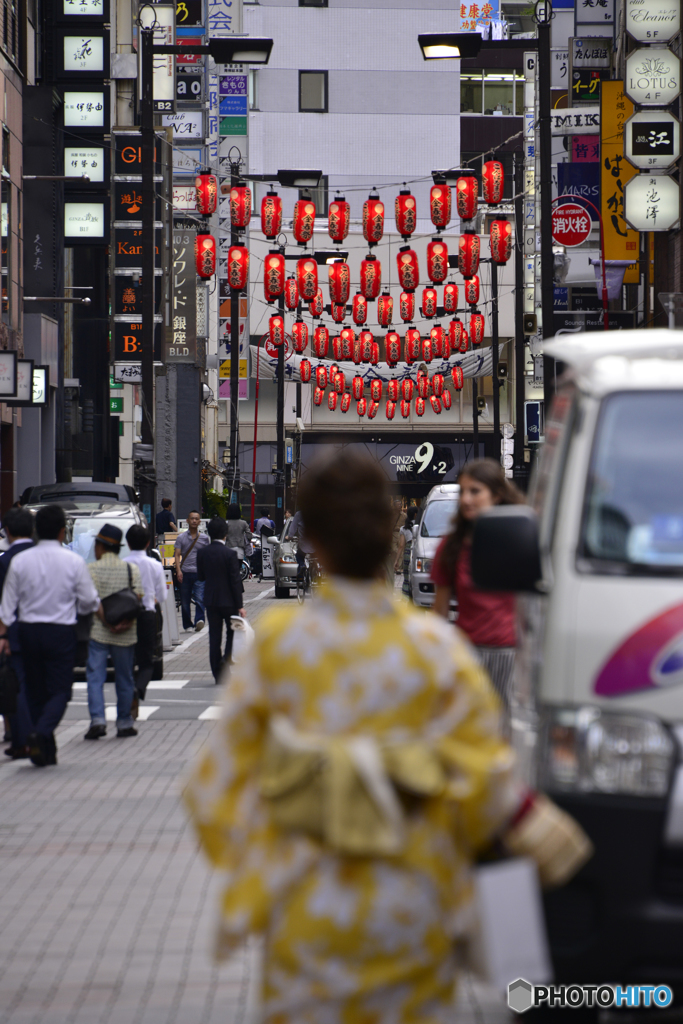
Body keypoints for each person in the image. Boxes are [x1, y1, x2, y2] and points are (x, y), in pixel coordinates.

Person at [184, 451, 591, 1024]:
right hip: (415, 905)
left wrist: (276, 855)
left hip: (306, 910)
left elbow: (212, 791)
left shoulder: (279, 650)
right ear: (393, 537)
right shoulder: (434, 652)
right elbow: (487, 784)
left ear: (313, 542)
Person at [0, 504, 100, 767]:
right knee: (60, 691)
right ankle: (41, 733)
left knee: (33, 690)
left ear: (36, 530)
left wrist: (7, 637)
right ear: (61, 531)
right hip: (60, 632)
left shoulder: (20, 561)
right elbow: (89, 601)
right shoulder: (73, 561)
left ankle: (42, 746)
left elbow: (7, 606)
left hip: (27, 631)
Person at [430, 459, 525, 713]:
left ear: (496, 495)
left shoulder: (520, 541)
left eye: (475, 491)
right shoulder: (451, 547)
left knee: (504, 732)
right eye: (462, 491)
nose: (466, 499)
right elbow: (439, 612)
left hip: (511, 655)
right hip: (466, 655)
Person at [84, 524, 144, 741]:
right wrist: (124, 623)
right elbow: (138, 598)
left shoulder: (92, 569)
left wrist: (107, 622)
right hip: (126, 633)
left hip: (100, 631)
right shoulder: (131, 569)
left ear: (101, 546)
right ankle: (124, 722)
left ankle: (98, 721)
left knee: (95, 677)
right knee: (125, 678)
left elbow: (92, 601)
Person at [0, 508, 34, 759]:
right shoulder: (44, 556)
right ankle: (37, 734)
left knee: (16, 684)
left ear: (8, 532)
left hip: (15, 630)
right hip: (49, 629)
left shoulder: (4, 561)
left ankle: (20, 736)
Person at [124, 524, 167, 715]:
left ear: (127, 543)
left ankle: (127, 693)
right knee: (147, 661)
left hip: (126, 616)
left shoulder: (123, 564)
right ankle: (138, 689)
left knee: (127, 658)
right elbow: (163, 596)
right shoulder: (155, 565)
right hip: (148, 614)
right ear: (148, 543)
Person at [196, 517, 245, 683]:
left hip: (211, 600)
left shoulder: (202, 553)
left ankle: (218, 674)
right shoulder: (230, 554)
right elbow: (235, 581)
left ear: (209, 533)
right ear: (226, 533)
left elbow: (201, 576)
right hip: (229, 601)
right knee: (232, 633)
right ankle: (226, 660)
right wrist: (240, 605)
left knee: (214, 637)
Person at [174, 511, 209, 632]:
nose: (194, 521)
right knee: (184, 601)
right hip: (184, 573)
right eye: (192, 518)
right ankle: (187, 624)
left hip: (199, 573)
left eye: (196, 519)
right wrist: (178, 571)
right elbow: (177, 555)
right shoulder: (181, 538)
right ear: (187, 521)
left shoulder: (204, 539)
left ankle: (199, 620)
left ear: (200, 522)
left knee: (200, 598)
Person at [400, 504, 419, 597]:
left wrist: (396, 560)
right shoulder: (420, 526)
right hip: (417, 551)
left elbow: (401, 545)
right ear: (416, 514)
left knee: (406, 574)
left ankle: (406, 593)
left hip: (407, 552)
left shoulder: (403, 528)